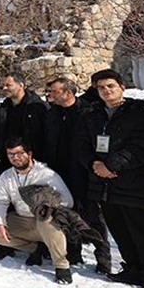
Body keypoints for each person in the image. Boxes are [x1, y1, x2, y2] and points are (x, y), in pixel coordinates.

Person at [80, 69, 144, 288]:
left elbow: (141, 147)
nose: (106, 91)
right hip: (103, 184)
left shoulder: (140, 115)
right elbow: (82, 144)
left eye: (110, 86)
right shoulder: (93, 116)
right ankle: (132, 267)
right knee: (118, 228)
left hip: (133, 182)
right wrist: (94, 164)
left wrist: (111, 165)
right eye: (101, 87)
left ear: (121, 87)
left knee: (140, 229)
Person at [0, 137, 75, 285]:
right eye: (11, 154)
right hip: (22, 219)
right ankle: (36, 248)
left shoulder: (47, 174)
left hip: (45, 220)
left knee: (47, 220)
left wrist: (46, 203)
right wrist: (0, 223)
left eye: (19, 153)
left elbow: (69, 201)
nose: (16, 157)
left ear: (29, 154)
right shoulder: (6, 176)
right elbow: (0, 202)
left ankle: (61, 266)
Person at [44, 77, 109, 272]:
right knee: (66, 213)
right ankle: (74, 251)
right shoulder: (52, 114)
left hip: (85, 172)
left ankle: (103, 258)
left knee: (93, 217)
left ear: (68, 93)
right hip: (60, 172)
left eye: (54, 91)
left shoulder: (87, 112)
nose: (50, 95)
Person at [0, 72, 49, 158]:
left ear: (21, 85)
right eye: (3, 85)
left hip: (33, 158)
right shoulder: (4, 107)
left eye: (8, 85)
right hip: (9, 158)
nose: (4, 88)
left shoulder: (38, 107)